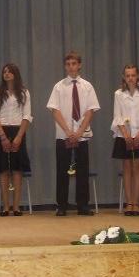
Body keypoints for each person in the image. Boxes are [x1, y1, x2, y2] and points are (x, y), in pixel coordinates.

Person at [47, 51, 100, 216]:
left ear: (79, 65)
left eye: (74, 64)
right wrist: (68, 131)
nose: (71, 67)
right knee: (62, 170)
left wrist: (79, 132)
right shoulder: (59, 87)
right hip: (63, 135)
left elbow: (90, 111)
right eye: (68, 64)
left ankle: (82, 205)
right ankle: (62, 205)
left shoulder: (87, 86)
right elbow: (55, 110)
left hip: (81, 135)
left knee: (82, 170)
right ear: (65, 66)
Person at [0, 63, 32, 216]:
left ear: (15, 74)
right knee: (3, 170)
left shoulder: (24, 93)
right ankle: (6, 207)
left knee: (17, 170)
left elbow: (27, 116)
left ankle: (16, 207)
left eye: (9, 71)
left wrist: (19, 137)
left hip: (18, 131)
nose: (6, 74)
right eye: (4, 71)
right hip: (2, 130)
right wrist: (3, 137)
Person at [111, 64, 139, 216]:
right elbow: (117, 116)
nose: (130, 78)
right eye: (127, 75)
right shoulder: (118, 94)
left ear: (138, 76)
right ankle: (129, 202)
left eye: (133, 75)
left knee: (137, 167)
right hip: (124, 136)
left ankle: (136, 203)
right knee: (127, 168)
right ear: (124, 77)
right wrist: (126, 135)